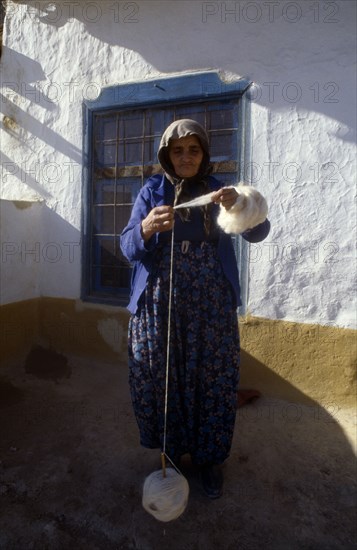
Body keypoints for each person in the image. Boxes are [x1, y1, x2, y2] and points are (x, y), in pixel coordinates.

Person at [120, 119, 270, 499]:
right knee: (161, 375)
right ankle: (171, 453)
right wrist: (146, 229)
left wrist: (241, 206)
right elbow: (127, 247)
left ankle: (208, 461)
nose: (185, 156)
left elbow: (258, 231)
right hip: (159, 301)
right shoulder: (151, 190)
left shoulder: (221, 191)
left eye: (193, 149)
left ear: (204, 154)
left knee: (212, 380)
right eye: (177, 150)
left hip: (210, 301)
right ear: (167, 155)